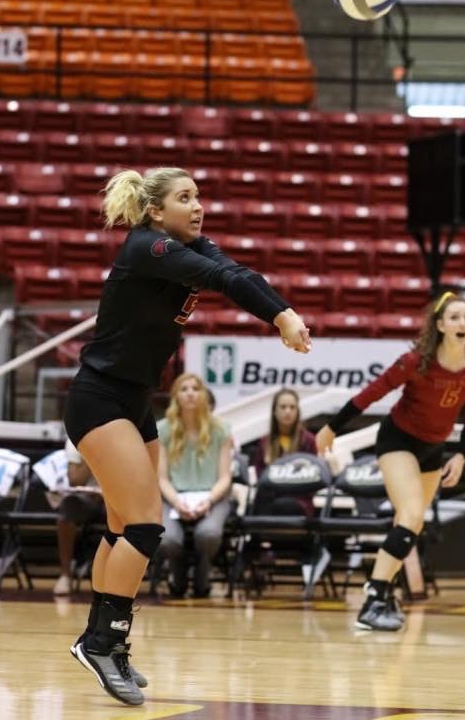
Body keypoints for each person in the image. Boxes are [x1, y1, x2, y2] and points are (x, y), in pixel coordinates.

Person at [63, 166, 311, 706]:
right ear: (155, 211)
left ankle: (97, 639)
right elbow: (225, 281)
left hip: (133, 399)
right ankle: (105, 642)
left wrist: (279, 309)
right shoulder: (149, 248)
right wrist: (282, 317)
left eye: (200, 195)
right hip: (99, 398)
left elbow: (237, 272)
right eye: (185, 198)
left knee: (120, 527)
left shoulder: (188, 245)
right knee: (147, 528)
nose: (198, 206)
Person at [316, 291, 465, 632]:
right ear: (440, 325)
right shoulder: (416, 360)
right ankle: (373, 598)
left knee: (411, 523)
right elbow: (374, 392)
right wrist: (331, 428)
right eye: (454, 317)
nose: (462, 323)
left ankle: (381, 598)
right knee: (410, 514)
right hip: (398, 439)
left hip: (434, 448)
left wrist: (461, 455)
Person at [157, 372, 233, 599]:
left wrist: (208, 500)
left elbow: (225, 477)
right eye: (184, 389)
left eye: (195, 388)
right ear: (175, 397)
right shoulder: (162, 429)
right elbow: (161, 478)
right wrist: (177, 503)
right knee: (167, 539)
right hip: (174, 496)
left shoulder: (221, 429)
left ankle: (203, 578)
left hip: (213, 495)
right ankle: (177, 576)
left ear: (203, 395)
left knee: (208, 534)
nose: (190, 393)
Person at [53, 437, 106, 596]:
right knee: (68, 506)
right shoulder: (77, 435)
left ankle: (121, 579)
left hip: (117, 498)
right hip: (88, 498)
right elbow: (75, 479)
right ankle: (65, 575)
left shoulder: (124, 432)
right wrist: (94, 451)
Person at [253, 388, 318, 516]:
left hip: (299, 499)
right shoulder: (265, 441)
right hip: (271, 497)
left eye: (292, 407)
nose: (287, 411)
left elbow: (314, 478)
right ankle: (261, 536)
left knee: (280, 505)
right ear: (275, 411)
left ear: (297, 411)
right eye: (283, 407)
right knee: (262, 497)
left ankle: (266, 535)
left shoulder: (309, 440)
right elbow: (261, 477)